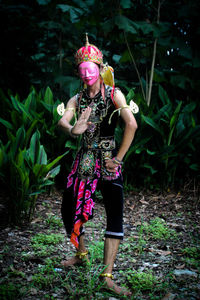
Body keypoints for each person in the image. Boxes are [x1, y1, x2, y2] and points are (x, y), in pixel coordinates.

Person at [57, 34, 138, 297]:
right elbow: (63, 122)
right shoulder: (76, 99)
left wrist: (118, 159)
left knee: (114, 213)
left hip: (108, 161)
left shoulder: (115, 94)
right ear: (79, 73)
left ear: (101, 69)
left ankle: (107, 276)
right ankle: (81, 254)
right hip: (83, 162)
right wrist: (73, 129)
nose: (87, 75)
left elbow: (131, 124)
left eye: (91, 70)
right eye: (82, 71)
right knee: (69, 207)